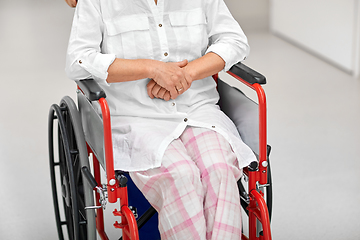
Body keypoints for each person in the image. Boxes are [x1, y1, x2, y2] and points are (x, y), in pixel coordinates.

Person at [65, 0, 257, 239]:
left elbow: (234, 41)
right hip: (135, 116)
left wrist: (186, 74)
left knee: (219, 169)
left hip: (197, 110)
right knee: (180, 175)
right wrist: (150, 68)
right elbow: (78, 60)